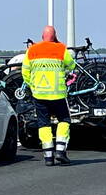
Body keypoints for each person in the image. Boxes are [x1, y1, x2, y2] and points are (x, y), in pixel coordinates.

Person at [21, 25, 76, 166]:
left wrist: (32, 86)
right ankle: (60, 151)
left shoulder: (32, 50)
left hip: (39, 94)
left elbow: (25, 72)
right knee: (64, 120)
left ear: (42, 36)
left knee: (43, 123)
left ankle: (48, 156)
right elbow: (71, 65)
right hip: (57, 94)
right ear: (55, 36)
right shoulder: (60, 49)